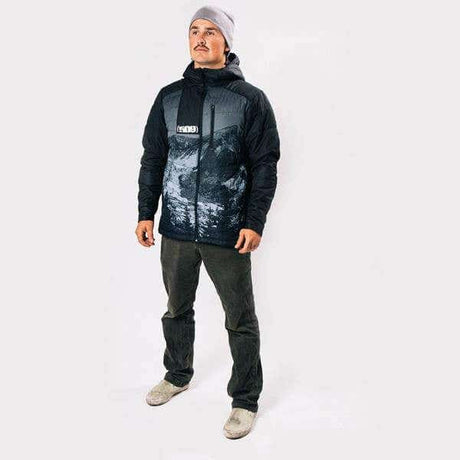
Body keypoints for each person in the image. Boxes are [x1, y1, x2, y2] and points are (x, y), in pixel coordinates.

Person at [135, 5, 281, 439]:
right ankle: (177, 374)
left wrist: (254, 221)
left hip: (227, 231)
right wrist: (146, 212)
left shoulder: (249, 99)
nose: (200, 38)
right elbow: (153, 158)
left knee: (240, 318)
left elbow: (265, 164)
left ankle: (245, 399)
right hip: (176, 229)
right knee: (176, 309)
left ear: (226, 42)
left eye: (211, 32)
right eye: (194, 31)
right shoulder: (169, 97)